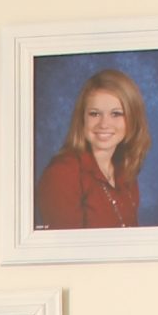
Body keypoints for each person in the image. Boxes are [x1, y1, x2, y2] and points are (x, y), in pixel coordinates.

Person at [34, 68, 149, 231]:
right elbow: (65, 252)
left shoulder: (124, 170)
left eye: (116, 114)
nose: (104, 124)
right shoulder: (62, 174)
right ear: (82, 119)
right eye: (94, 114)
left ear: (132, 119)